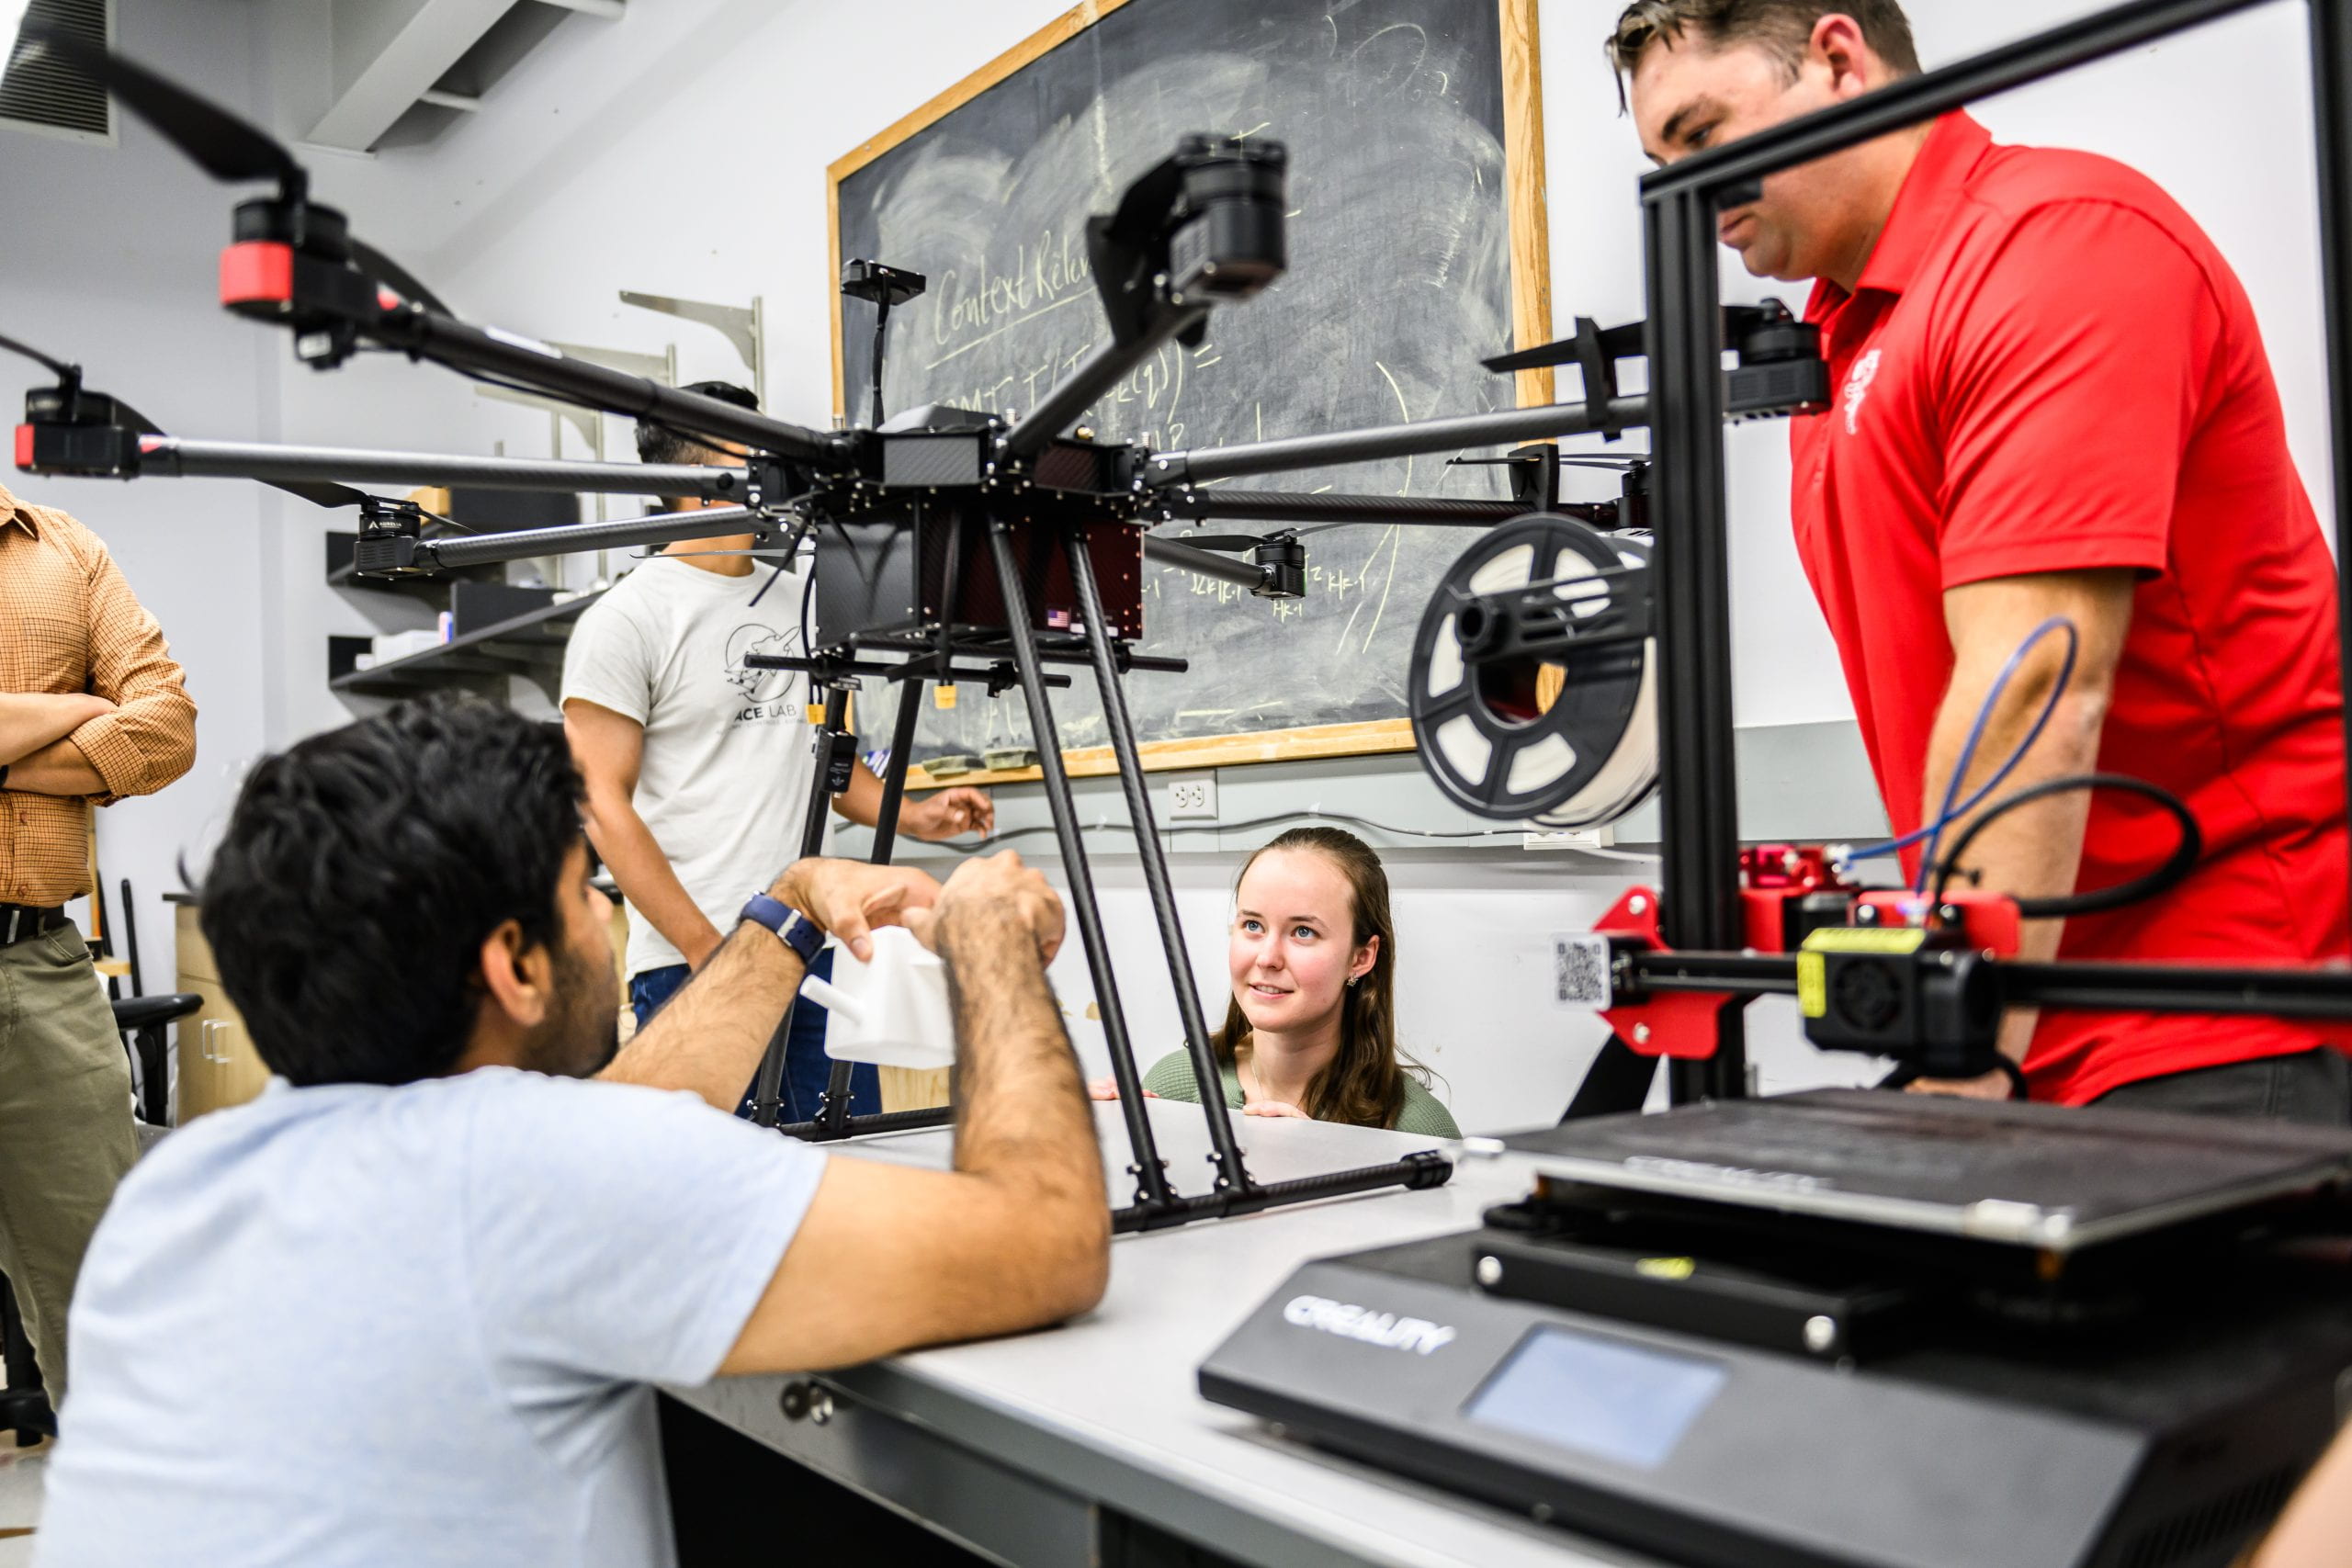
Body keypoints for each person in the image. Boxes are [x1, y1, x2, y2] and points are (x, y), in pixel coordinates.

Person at [32, 695, 1103, 1566]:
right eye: (584, 887)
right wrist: (990, 942)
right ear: (514, 962)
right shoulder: (524, 1175)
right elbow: (1046, 1236)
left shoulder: (180, 1184)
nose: (602, 914)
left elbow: (603, 1124)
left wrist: (791, 907)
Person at [1610, 1, 2351, 1119]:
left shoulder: (2057, 243)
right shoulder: (1838, 341)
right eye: (1661, 161)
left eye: (1702, 136)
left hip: (2226, 1014)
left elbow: (2033, 680)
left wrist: (1961, 1062)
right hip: (2031, 1016)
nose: (1687, 193)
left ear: (1837, 59)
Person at [561, 379, 993, 1122]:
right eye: (754, 453)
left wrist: (921, 817)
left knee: (842, 1162)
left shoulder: (807, 598)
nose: (778, 469)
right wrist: (710, 948)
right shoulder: (626, 619)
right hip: (692, 960)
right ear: (700, 479)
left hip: (820, 951)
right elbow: (601, 803)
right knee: (716, 1179)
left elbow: (827, 764)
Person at [0, 478, 196, 1418]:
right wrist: (76, 708)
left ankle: (119, 1497)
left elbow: (167, 727)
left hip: (41, 965)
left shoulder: (65, 551)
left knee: (109, 1294)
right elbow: (122, 723)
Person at [1093, 827, 1459, 1137]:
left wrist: (1321, 1159)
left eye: (1303, 931)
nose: (1267, 958)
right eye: (1253, 925)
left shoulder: (1418, 1131)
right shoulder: (1176, 1085)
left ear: (1361, 957)